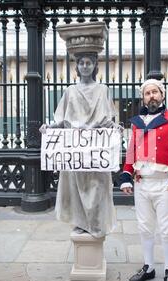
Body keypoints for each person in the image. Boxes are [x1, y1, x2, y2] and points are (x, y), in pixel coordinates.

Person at [119, 78, 168, 281]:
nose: (151, 96)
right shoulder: (137, 122)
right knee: (144, 227)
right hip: (142, 183)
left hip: (165, 184)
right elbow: (132, 151)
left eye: (155, 92)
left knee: (167, 229)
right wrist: (126, 174)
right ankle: (149, 267)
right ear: (143, 97)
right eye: (147, 93)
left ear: (162, 95)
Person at [40, 52, 121, 238]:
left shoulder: (103, 89)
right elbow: (61, 119)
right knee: (75, 189)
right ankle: (81, 223)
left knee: (97, 187)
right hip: (75, 149)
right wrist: (49, 128)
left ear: (94, 66)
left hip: (95, 148)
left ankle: (96, 223)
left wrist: (116, 127)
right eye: (82, 63)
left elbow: (108, 119)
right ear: (77, 67)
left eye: (89, 63)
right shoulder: (70, 90)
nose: (85, 66)